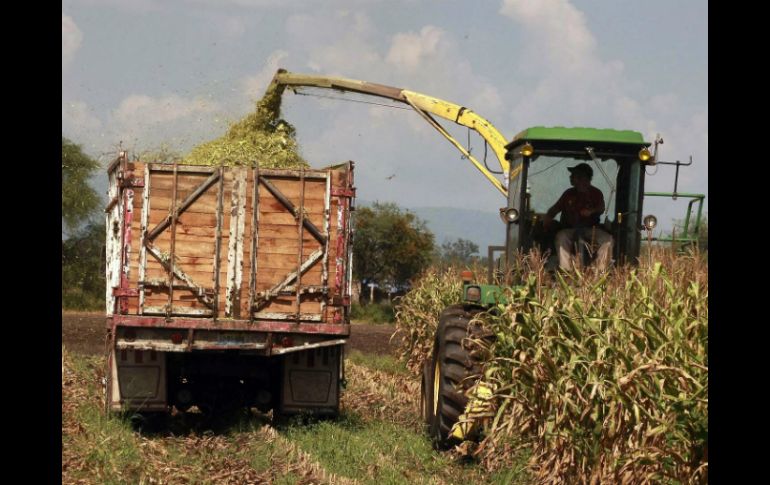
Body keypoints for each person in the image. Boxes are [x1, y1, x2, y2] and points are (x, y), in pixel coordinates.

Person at [542, 163, 613, 271]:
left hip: (591, 230)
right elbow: (555, 209)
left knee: (607, 239)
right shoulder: (568, 194)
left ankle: (600, 270)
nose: (571, 178)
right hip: (570, 229)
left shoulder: (596, 193)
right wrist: (548, 217)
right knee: (561, 237)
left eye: (573, 175)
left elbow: (601, 208)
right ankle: (567, 271)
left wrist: (591, 211)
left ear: (583, 177)